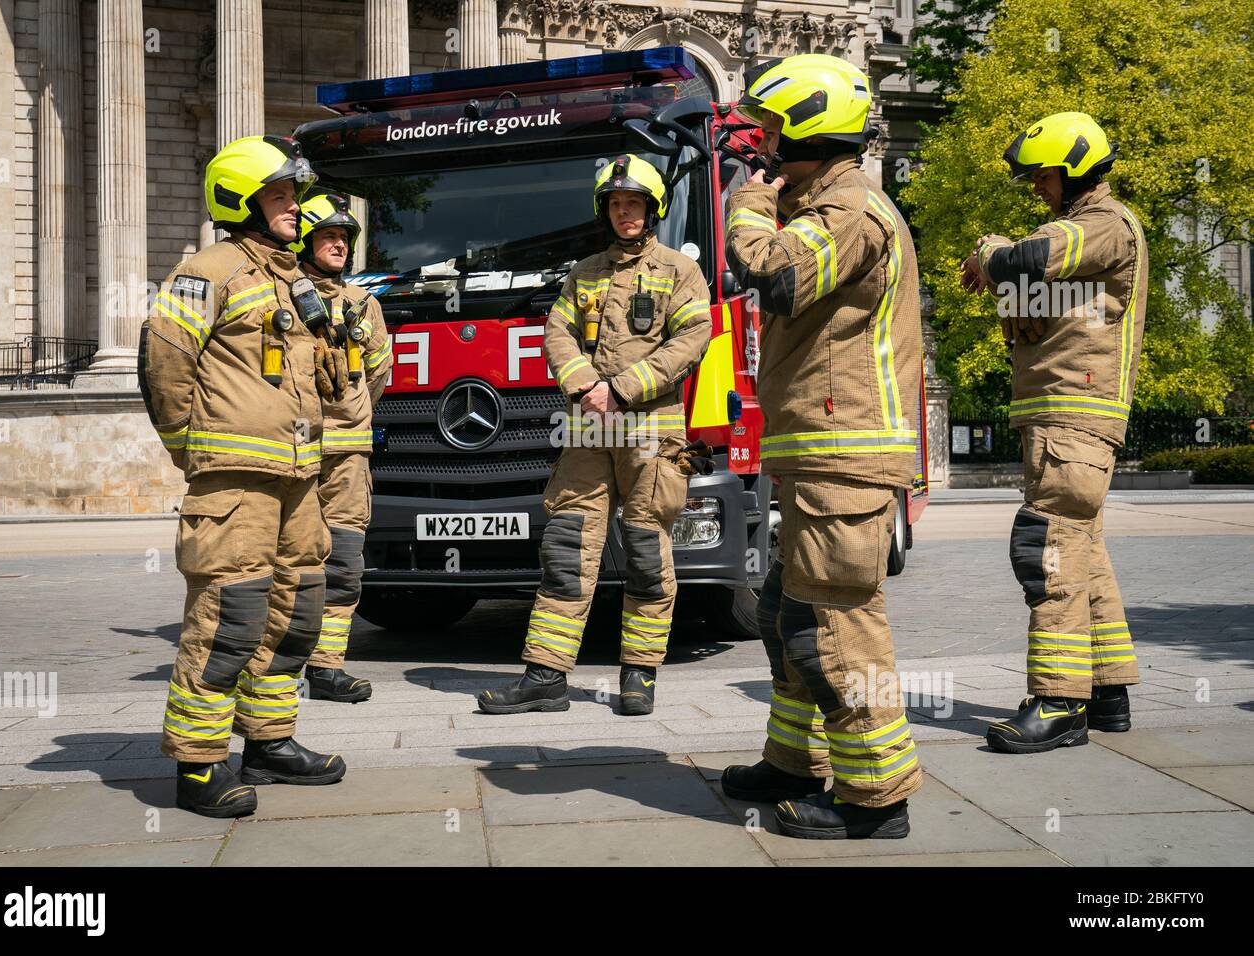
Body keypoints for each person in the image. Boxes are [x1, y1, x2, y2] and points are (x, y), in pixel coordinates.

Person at [721, 54, 925, 839]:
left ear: (810, 126)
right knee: (786, 612)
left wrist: (746, 206)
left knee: (836, 622)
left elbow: (775, 276)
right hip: (818, 453)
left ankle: (876, 802)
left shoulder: (852, 211)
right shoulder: (823, 202)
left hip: (847, 456)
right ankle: (792, 764)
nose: (764, 146)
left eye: (772, 129)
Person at [138, 135, 347, 818]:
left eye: (294, 194)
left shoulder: (292, 279)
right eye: (282, 195)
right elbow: (165, 366)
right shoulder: (208, 271)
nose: (296, 207)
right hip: (235, 481)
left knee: (298, 614)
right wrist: (189, 450)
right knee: (231, 618)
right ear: (242, 200)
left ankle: (268, 742)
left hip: (299, 478)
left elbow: (324, 380)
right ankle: (198, 764)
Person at [476, 154, 711, 717]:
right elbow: (556, 332)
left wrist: (622, 388)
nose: (624, 213)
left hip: (649, 429)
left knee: (645, 550)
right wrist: (584, 387)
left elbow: (692, 339)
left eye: (633, 204)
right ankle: (545, 676)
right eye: (615, 204)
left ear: (652, 210)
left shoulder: (681, 271)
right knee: (566, 549)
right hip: (588, 426)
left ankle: (639, 674)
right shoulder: (583, 271)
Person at [960, 111, 1146, 753]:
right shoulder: (1093, 231)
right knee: (1083, 550)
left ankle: (1059, 701)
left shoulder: (1103, 225)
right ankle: (1107, 690)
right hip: (1064, 415)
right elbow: (1034, 299)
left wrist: (989, 254)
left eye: (1041, 177)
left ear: (1074, 171)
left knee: (1048, 549)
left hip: (1075, 416)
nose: (1036, 188)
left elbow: (1027, 258)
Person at [288, 192, 393, 703]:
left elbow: (378, 374)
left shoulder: (364, 303)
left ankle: (328, 667)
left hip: (349, 455)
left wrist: (348, 412)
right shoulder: (282, 296)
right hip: (295, 449)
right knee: (291, 560)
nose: (338, 246)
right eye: (328, 236)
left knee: (344, 561)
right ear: (306, 241)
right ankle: (284, 664)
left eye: (344, 238)